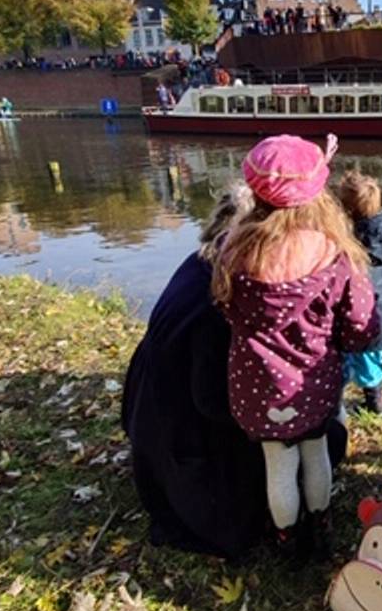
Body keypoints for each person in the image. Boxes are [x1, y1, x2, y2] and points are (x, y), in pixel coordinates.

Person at [121, 183, 349, 559]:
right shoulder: (224, 298)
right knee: (317, 438)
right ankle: (295, 534)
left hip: (151, 407)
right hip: (185, 438)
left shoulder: (199, 263)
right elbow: (211, 401)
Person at [214, 135, 380, 558]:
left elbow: (226, 310)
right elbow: (362, 327)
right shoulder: (334, 255)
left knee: (278, 466)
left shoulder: (233, 252)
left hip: (258, 388)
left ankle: (285, 540)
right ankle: (320, 528)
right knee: (316, 453)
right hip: (313, 384)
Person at [338, 171, 382, 416]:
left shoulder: (355, 246)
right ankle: (375, 395)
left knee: (362, 361)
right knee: (371, 358)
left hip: (372, 330)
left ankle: (375, 407)